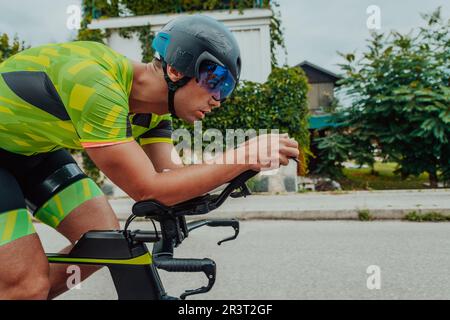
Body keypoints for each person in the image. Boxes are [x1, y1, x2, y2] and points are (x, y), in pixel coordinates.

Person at [0, 14, 299, 299]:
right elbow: (148, 188)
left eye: (227, 89)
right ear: (176, 70)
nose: (219, 100)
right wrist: (244, 154)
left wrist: (244, 167)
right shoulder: (97, 84)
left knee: (102, 243)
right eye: (216, 81)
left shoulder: (155, 114)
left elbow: (173, 182)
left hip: (33, 151)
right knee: (27, 284)